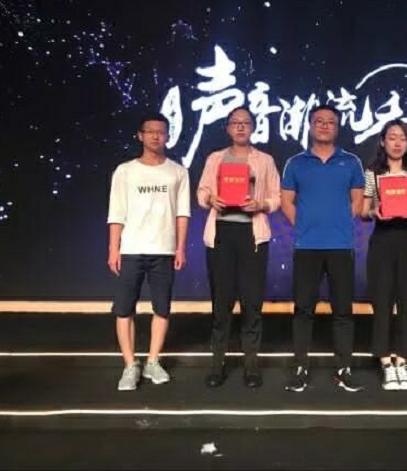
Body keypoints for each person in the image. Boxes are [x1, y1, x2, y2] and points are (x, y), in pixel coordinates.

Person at [281, 104, 365, 393]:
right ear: (310, 125)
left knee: (342, 310)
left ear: (337, 127)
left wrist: (337, 223)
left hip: (341, 246)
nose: (325, 125)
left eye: (330, 122)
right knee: (303, 309)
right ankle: (300, 367)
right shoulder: (296, 163)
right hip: (307, 246)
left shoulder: (351, 162)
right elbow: (286, 202)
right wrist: (305, 226)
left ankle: (344, 368)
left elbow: (357, 202)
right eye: (319, 121)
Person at [197, 106, 281, 389]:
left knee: (252, 303)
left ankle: (251, 367)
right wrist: (211, 199)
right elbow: (201, 192)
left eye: (246, 122)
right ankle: (217, 366)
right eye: (236, 123)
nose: (241, 127)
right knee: (221, 304)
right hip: (221, 234)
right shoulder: (215, 158)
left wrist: (261, 204)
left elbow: (277, 197)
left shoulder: (265, 160)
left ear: (253, 127)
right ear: (228, 128)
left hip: (252, 236)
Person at [107, 112, 190, 391]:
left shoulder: (178, 172)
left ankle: (153, 360)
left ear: (168, 136)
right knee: (124, 308)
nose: (156, 136)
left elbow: (182, 213)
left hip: (163, 250)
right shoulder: (125, 171)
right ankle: (130, 364)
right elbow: (116, 212)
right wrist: (114, 248)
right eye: (150, 131)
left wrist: (180, 247)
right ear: (140, 135)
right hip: (131, 248)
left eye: (161, 132)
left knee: (162, 308)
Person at [361, 119, 407, 391]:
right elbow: (363, 211)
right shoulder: (373, 172)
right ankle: (386, 362)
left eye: (403, 138)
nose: (397, 143)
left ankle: (403, 361)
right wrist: (373, 212)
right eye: (392, 137)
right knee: (382, 299)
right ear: (382, 141)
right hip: (383, 238)